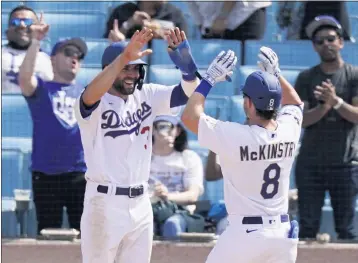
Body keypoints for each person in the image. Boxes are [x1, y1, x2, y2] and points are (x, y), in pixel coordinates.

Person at [74, 27, 201, 263]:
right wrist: (123, 57)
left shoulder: (147, 94)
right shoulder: (93, 101)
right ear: (108, 70)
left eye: (136, 68)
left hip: (141, 202)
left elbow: (189, 93)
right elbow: (89, 97)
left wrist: (188, 70)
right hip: (104, 202)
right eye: (126, 68)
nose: (132, 74)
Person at [181, 47, 302, 262]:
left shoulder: (236, 136)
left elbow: (189, 116)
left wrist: (209, 79)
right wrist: (277, 75)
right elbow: (295, 103)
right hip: (282, 235)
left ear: (248, 103)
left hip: (245, 236)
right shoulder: (288, 129)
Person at [18, 14, 88, 234]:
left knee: (88, 237)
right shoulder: (41, 89)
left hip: (81, 173)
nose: (75, 57)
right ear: (53, 58)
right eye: (68, 53)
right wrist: (36, 41)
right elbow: (24, 78)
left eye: (79, 55)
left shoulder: (88, 92)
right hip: (46, 174)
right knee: (48, 235)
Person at [295, 15, 358, 240]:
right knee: (307, 228)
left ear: (341, 42)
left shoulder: (354, 76)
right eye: (320, 41)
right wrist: (324, 107)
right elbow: (299, 120)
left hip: (345, 164)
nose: (326, 44)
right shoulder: (306, 78)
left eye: (331, 39)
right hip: (310, 164)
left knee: (347, 231)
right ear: (314, 47)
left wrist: (337, 102)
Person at [150, 115, 204, 238]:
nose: (169, 132)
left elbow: (192, 195)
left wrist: (166, 196)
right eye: (163, 127)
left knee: (172, 225)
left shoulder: (188, 158)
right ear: (152, 130)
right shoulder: (142, 158)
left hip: (181, 212)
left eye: (173, 128)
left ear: (178, 131)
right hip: (148, 209)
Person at [2, 5, 53, 93]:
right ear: (7, 31)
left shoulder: (49, 60)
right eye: (15, 22)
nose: (22, 25)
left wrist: (36, 39)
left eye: (28, 22)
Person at [104, 0, 188, 41]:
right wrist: (128, 24)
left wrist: (162, 36)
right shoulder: (122, 11)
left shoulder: (174, 14)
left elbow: (185, 50)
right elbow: (107, 43)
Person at [188, 1, 271, 41]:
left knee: (247, 67)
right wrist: (202, 25)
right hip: (212, 23)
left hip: (246, 12)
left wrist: (222, 17)